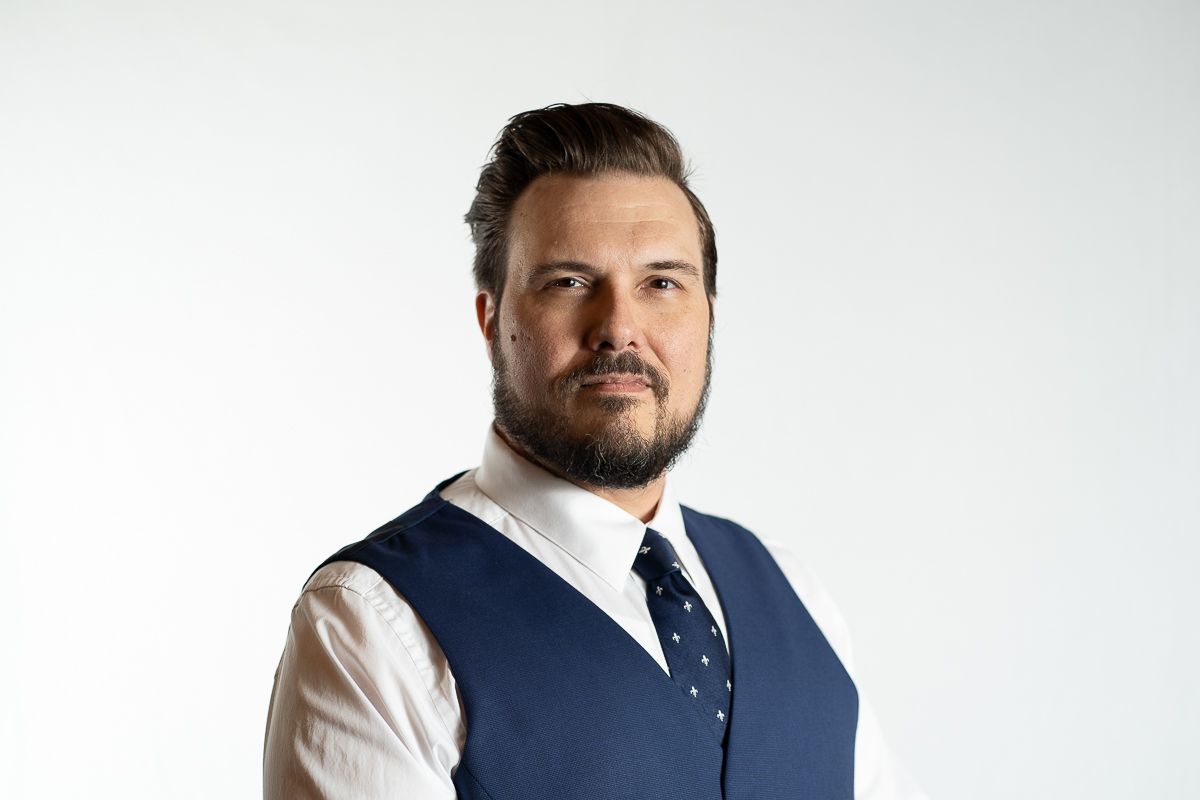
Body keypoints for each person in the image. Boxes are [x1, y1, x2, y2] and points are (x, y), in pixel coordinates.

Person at [263, 102, 928, 799]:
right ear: (491, 320)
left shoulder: (793, 594)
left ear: (708, 317)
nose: (619, 328)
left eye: (662, 283)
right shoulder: (373, 624)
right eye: (569, 282)